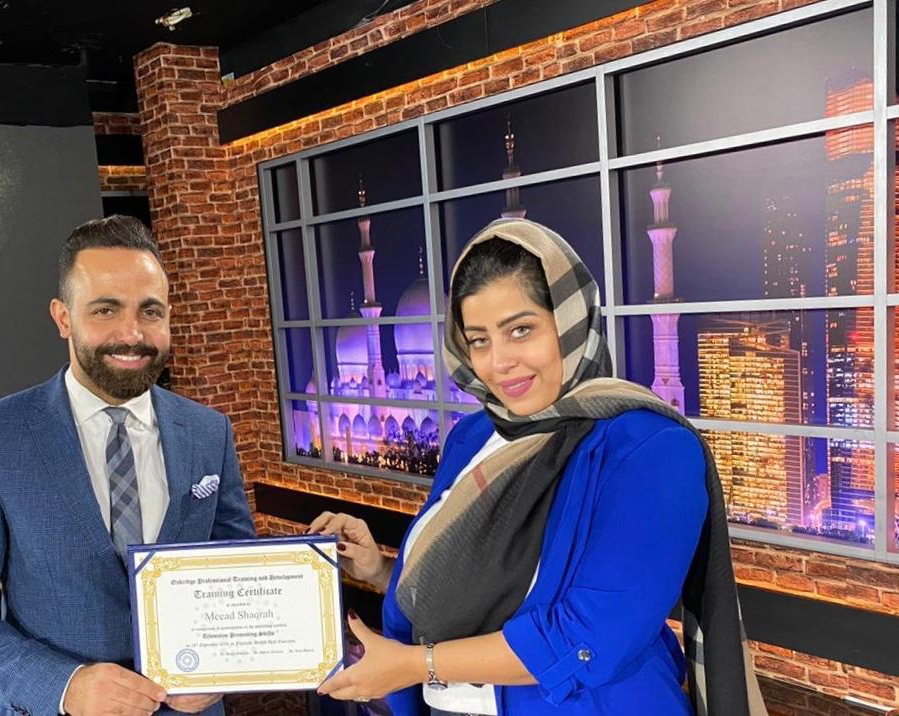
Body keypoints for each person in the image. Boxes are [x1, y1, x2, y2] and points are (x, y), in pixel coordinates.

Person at [310, 218, 766, 715]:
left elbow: (590, 638)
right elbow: (477, 586)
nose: (499, 362)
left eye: (520, 330)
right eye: (479, 340)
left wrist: (417, 664)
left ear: (569, 320)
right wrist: (381, 571)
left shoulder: (649, 449)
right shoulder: (475, 437)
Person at [0, 215, 256, 716]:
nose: (132, 333)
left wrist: (225, 665)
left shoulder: (209, 431)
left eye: (150, 311)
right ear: (63, 318)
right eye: (105, 310)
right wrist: (65, 686)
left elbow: (237, 567)